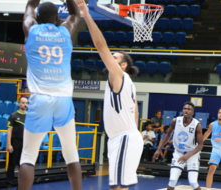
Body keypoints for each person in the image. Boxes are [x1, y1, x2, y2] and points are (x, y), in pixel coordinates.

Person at [76, 1, 143, 189]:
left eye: (115, 57)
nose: (110, 58)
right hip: (123, 138)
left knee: (117, 187)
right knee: (119, 185)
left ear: (122, 66)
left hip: (124, 138)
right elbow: (135, 112)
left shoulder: (119, 75)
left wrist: (86, 16)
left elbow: (100, 45)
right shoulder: (129, 84)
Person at [19, 1, 81, 190]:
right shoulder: (65, 31)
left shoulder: (31, 29)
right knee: (71, 154)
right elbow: (75, 14)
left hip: (40, 97)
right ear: (56, 18)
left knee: (29, 155)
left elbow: (30, 5)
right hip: (63, 99)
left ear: (38, 17)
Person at [152, 102, 203, 190]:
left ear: (192, 112)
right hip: (178, 153)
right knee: (172, 180)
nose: (186, 110)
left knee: (193, 182)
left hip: (192, 154)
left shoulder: (197, 125)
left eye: (188, 109)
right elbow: (167, 135)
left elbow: (200, 145)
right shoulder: (175, 121)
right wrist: (158, 149)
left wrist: (187, 156)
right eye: (184, 108)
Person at [6, 97, 28, 190]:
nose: (25, 104)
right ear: (19, 104)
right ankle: (9, 185)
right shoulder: (13, 115)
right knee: (12, 165)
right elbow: (9, 131)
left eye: (26, 103)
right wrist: (8, 144)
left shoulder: (30, 116)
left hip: (25, 144)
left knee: (22, 167)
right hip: (15, 143)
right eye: (23, 103)